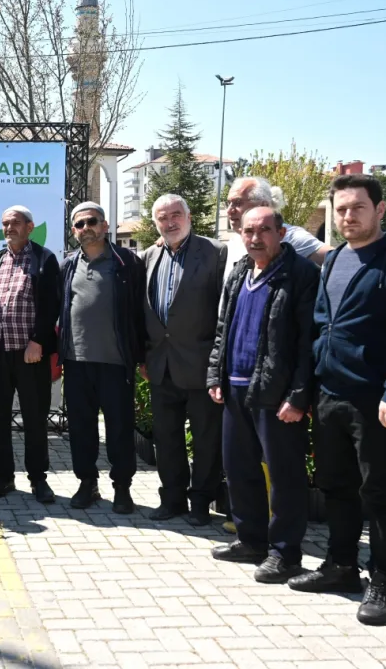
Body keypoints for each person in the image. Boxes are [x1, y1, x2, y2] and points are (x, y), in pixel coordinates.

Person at [288, 174, 386, 626]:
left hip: (376, 402)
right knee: (336, 487)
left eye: (358, 207)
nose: (348, 216)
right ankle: (341, 566)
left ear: (380, 209)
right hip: (330, 395)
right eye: (341, 209)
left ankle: (383, 580)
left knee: (381, 493)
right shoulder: (335, 259)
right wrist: (310, 388)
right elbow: (320, 326)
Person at [207, 206, 318, 584]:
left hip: (276, 395)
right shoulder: (240, 272)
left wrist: (299, 395)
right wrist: (215, 374)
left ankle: (285, 554)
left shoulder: (300, 275)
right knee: (239, 469)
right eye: (248, 231)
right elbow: (223, 328)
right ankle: (250, 540)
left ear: (281, 233)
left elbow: (308, 343)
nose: (255, 238)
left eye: (264, 230)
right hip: (234, 389)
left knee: (285, 477)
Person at [140, 194, 228, 525]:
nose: (170, 222)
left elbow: (224, 312)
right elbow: (142, 312)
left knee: (206, 440)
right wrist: (143, 356)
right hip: (160, 366)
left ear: (189, 217)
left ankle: (201, 502)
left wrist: (218, 364)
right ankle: (172, 499)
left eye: (176, 215)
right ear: (155, 223)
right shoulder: (148, 256)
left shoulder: (216, 253)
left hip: (202, 365)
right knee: (166, 439)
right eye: (162, 218)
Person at [58, 202, 143, 513]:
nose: (86, 228)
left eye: (92, 221)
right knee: (81, 429)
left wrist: (140, 355)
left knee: (120, 429)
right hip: (76, 362)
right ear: (73, 231)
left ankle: (122, 488)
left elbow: (140, 311)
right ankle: (87, 484)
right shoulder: (68, 265)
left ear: (105, 226)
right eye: (79, 224)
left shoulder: (127, 262)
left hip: (116, 363)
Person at [0, 206, 60, 503]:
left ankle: (38, 478)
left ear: (30, 227)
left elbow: (51, 304)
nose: (9, 228)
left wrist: (38, 341)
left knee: (35, 418)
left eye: (15, 223)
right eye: (5, 224)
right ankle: (4, 476)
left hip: (30, 354)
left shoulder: (44, 258)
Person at [223, 177, 330, 280]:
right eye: (228, 203)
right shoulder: (233, 243)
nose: (229, 210)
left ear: (263, 205)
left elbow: (335, 261)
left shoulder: (291, 236)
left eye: (238, 203)